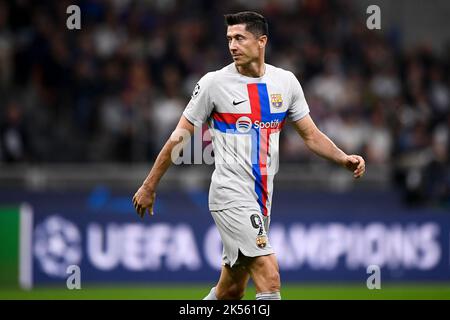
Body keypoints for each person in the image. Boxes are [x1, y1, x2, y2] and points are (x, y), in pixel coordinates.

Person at [132, 11, 365, 300]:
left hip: (261, 198)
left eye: (240, 38)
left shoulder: (286, 82)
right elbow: (179, 138)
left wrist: (343, 158)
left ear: (261, 41)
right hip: (230, 195)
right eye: (229, 39)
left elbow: (311, 135)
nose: (232, 45)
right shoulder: (213, 84)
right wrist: (149, 184)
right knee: (270, 278)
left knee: (230, 291)